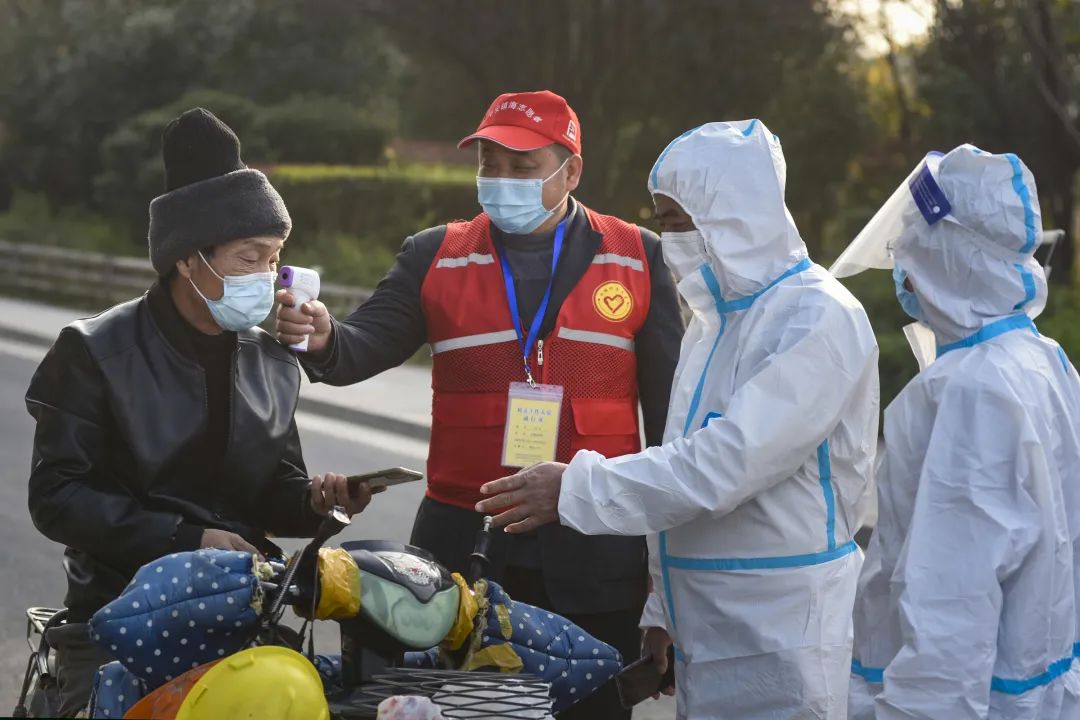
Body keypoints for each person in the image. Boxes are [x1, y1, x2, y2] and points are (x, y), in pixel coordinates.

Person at [276, 90, 683, 718]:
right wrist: (324, 337)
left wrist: (670, 587)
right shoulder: (432, 253)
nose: (500, 180)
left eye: (522, 167)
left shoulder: (638, 255)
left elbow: (670, 431)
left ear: (570, 171)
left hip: (597, 551)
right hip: (460, 548)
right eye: (489, 164)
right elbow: (359, 347)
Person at [477, 120, 881, 719]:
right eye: (662, 222)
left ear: (735, 217)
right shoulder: (716, 321)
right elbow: (680, 462)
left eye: (675, 223)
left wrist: (578, 485)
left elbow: (724, 464)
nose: (667, 241)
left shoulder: (816, 318)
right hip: (708, 625)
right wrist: (663, 611)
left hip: (784, 630)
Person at [25, 108, 374, 717]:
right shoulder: (94, 352)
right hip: (118, 617)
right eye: (249, 258)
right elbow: (56, 496)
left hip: (241, 615)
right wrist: (187, 541)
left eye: (275, 258)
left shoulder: (270, 360)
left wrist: (316, 501)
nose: (267, 279)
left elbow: (272, 490)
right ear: (188, 258)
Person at [831, 145, 1080, 719]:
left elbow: (951, 601)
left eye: (910, 245)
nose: (901, 263)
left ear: (949, 254)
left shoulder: (972, 391)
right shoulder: (1042, 358)